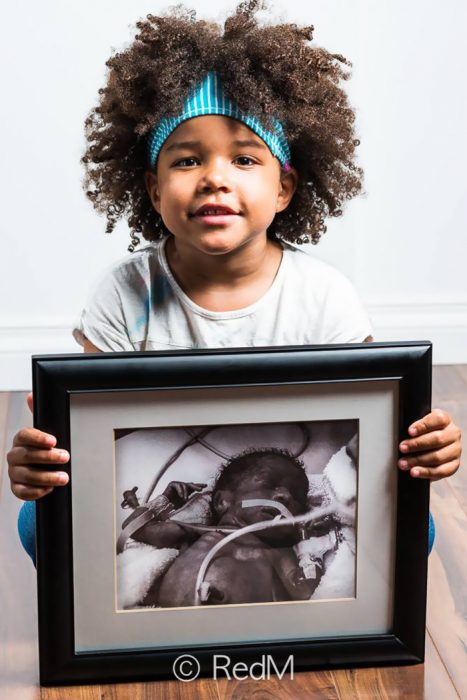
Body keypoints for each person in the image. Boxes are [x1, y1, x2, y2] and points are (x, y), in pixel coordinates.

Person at [7, 1, 461, 563]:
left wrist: (421, 447)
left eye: (245, 160)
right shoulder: (126, 293)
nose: (215, 178)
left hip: (285, 490)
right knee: (38, 520)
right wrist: (50, 457)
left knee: (419, 529)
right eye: (186, 161)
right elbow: (98, 439)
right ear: (152, 189)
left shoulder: (323, 296)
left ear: (285, 189)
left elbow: (362, 428)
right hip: (168, 484)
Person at [118, 448, 326, 607]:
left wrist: (313, 551)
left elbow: (302, 590)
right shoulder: (198, 533)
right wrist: (165, 501)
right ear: (222, 502)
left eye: (297, 496)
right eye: (269, 484)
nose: (285, 496)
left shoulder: (279, 553)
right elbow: (137, 529)